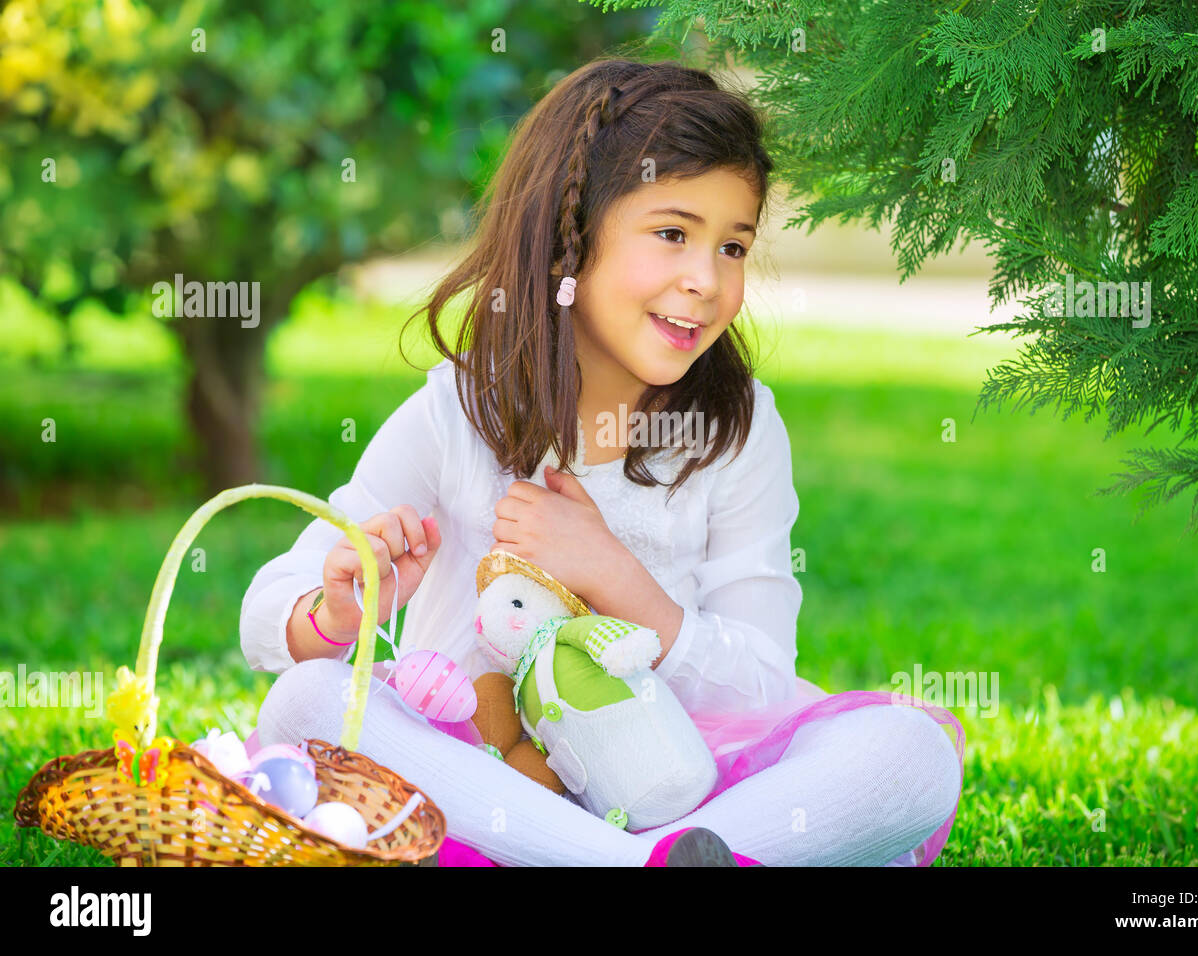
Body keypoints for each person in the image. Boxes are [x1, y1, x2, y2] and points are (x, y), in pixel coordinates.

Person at [241, 57, 963, 866]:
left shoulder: (740, 427)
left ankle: (642, 856)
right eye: (672, 234)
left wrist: (614, 576)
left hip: (689, 785)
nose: (706, 280)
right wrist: (338, 612)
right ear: (570, 237)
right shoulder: (459, 411)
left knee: (910, 753)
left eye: (733, 246)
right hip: (492, 784)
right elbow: (269, 613)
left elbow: (762, 684)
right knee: (305, 702)